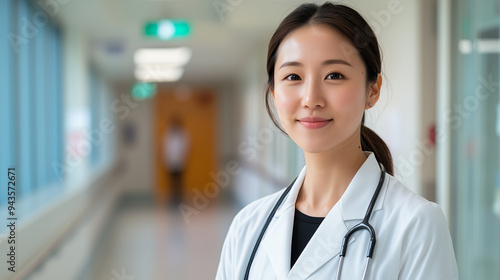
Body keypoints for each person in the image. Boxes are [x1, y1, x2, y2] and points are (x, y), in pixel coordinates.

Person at [216, 2, 458, 279]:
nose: (310, 99)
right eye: (293, 76)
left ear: (373, 90)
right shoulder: (248, 227)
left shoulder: (416, 223)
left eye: (334, 75)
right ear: (274, 93)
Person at [162, 116, 191, 208]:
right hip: (170, 161)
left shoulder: (183, 133)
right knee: (171, 180)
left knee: (179, 180)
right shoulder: (167, 134)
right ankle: (172, 197)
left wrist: (183, 156)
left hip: (180, 161)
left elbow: (187, 145)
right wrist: (165, 158)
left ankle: (179, 197)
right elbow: (164, 147)